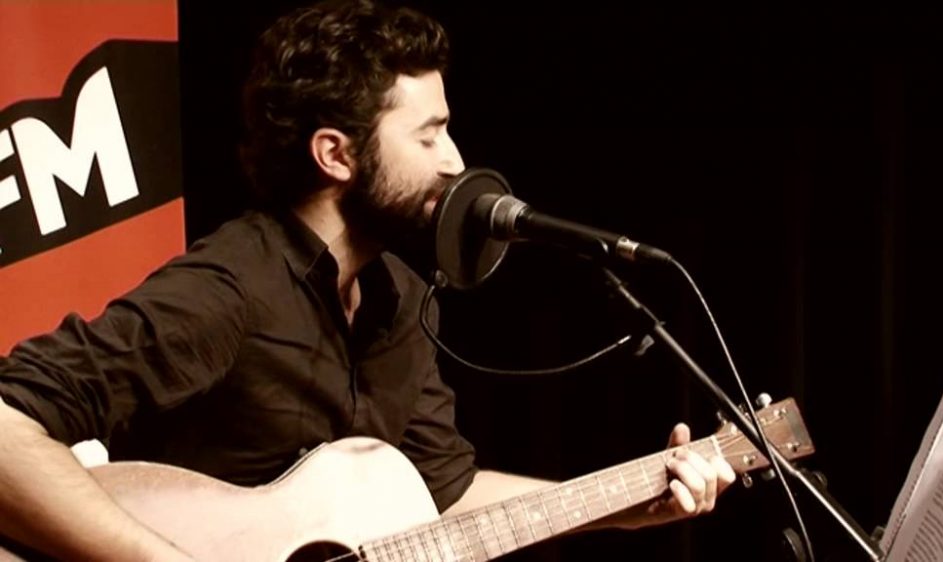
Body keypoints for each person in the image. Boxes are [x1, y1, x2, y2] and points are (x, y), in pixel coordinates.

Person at [0, 0, 735, 559]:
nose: (455, 161)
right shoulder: (232, 286)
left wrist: (630, 503)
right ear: (336, 155)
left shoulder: (402, 302)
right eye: (428, 135)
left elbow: (443, 499)